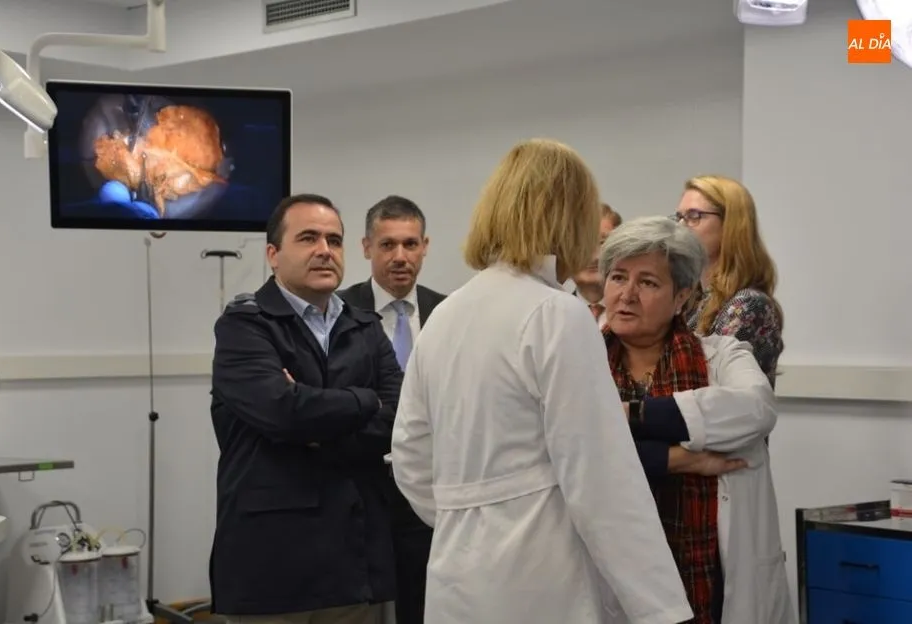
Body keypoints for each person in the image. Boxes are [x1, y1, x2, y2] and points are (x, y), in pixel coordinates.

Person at [390, 138, 693, 624]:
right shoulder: (556, 314)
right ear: (571, 219)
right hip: (540, 576)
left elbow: (409, 457)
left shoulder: (445, 315)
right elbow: (602, 480)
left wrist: (469, 511)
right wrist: (663, 609)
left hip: (456, 574)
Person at [209, 193, 404, 624]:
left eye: (334, 240)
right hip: (273, 565)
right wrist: (365, 399)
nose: (324, 250)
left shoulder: (365, 328)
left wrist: (315, 425)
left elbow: (399, 419)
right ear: (273, 255)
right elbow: (283, 411)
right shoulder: (244, 326)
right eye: (308, 238)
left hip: (355, 560)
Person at [599, 216, 794, 623]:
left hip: (708, 579)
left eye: (648, 282)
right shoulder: (581, 361)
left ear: (682, 296)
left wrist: (630, 415)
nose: (627, 295)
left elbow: (756, 408)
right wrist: (675, 459)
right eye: (618, 277)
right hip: (613, 579)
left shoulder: (721, 356)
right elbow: (567, 453)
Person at [338, 195, 446, 624]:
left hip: (430, 485)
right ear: (367, 247)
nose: (400, 256)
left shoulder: (449, 312)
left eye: (410, 244)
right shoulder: (339, 311)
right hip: (362, 482)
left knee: (420, 602)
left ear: (425, 246)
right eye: (387, 245)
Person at [675, 175, 784, 385]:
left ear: (730, 224)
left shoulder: (748, 304)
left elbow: (703, 383)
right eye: (679, 217)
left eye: (694, 216)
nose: (680, 227)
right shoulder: (691, 300)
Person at [572, 203, 622, 325]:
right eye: (582, 244)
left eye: (602, 243)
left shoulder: (638, 314)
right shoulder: (553, 315)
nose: (594, 257)